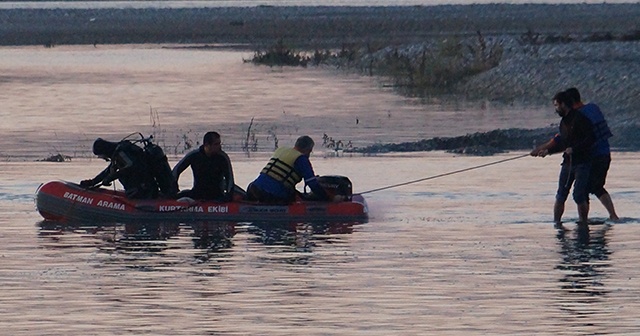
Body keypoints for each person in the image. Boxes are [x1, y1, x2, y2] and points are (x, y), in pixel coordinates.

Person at [531, 91, 596, 224]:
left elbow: (591, 138)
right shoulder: (563, 122)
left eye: (556, 105)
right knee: (561, 195)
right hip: (567, 164)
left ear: (563, 104)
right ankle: (556, 223)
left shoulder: (580, 119)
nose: (555, 109)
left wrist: (575, 149)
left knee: (578, 195)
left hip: (583, 163)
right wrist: (547, 151)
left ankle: (583, 223)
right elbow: (563, 144)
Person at [565, 87, 619, 220]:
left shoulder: (579, 115)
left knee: (585, 189)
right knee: (596, 186)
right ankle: (612, 215)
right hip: (605, 153)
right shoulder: (593, 107)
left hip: (594, 156)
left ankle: (584, 220)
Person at [246, 135, 329, 204]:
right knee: (295, 198)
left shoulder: (281, 150)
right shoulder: (301, 159)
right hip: (270, 195)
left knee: (294, 194)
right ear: (308, 150)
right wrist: (327, 198)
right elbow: (312, 184)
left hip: (253, 188)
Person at [80, 138, 159, 199]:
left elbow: (131, 167)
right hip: (147, 187)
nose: (102, 158)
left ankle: (134, 194)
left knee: (122, 175)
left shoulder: (121, 154)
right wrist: (93, 182)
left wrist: (111, 177)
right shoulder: (118, 153)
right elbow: (107, 171)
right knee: (120, 173)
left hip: (145, 189)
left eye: (100, 155)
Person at [172, 131, 235, 201]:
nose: (220, 147)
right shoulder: (194, 155)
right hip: (197, 193)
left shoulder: (222, 158)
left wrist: (228, 196)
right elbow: (176, 171)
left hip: (217, 195)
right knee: (179, 195)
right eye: (216, 144)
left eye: (219, 143)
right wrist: (173, 189)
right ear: (207, 145)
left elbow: (230, 179)